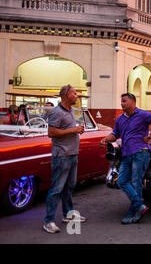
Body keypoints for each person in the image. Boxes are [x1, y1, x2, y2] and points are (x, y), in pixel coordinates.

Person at [100, 93, 151, 225]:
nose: (122, 104)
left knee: (136, 183)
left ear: (133, 102)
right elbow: (115, 134)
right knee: (121, 181)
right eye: (121, 101)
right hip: (127, 154)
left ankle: (133, 213)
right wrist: (106, 138)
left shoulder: (142, 114)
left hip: (141, 152)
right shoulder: (120, 119)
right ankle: (139, 205)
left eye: (124, 101)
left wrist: (150, 136)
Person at [43, 84, 85, 234]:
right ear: (66, 95)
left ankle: (68, 213)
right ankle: (49, 221)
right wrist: (73, 130)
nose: (77, 96)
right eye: (74, 93)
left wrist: (76, 130)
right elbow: (51, 132)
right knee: (56, 189)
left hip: (72, 154)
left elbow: (64, 130)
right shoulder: (57, 112)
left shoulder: (71, 110)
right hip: (61, 156)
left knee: (69, 187)